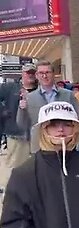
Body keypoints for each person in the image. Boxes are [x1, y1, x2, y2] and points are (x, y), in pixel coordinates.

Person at [16, 60, 79, 154]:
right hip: (40, 147)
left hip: (64, 146)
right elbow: (22, 125)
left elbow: (77, 119)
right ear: (37, 76)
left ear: (53, 74)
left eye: (47, 72)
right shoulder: (30, 98)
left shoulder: (68, 95)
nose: (44, 76)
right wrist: (22, 109)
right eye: (41, 73)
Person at [0, 63, 38, 194]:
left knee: (35, 168)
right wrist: (4, 111)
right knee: (15, 168)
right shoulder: (11, 88)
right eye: (28, 73)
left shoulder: (40, 90)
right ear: (22, 74)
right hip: (16, 136)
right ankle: (11, 194)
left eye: (33, 72)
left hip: (37, 137)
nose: (31, 75)